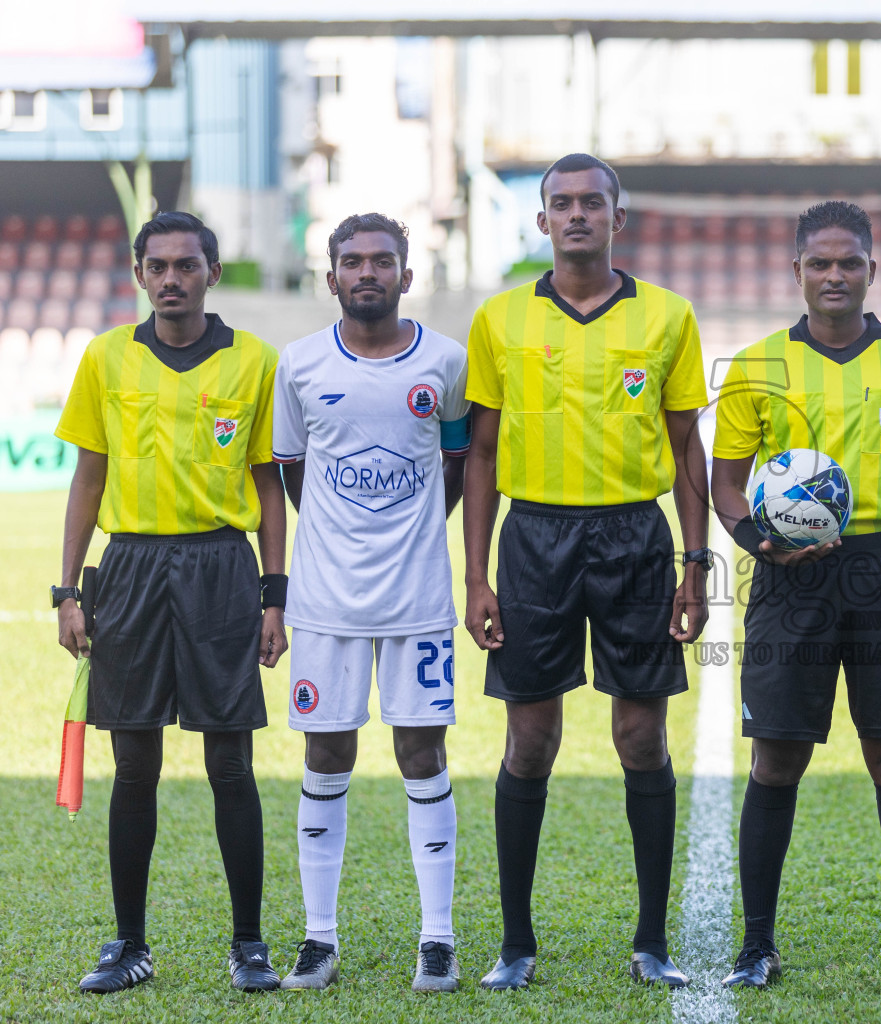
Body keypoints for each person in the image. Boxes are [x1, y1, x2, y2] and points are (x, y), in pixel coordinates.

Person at [461, 153, 710, 991]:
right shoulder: (498, 320)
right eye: (560, 204)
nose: (576, 216)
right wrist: (476, 577)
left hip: (634, 540)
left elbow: (685, 450)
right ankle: (517, 945)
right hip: (532, 540)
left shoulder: (668, 317)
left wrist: (694, 562)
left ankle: (651, 942)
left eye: (591, 203)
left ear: (617, 218)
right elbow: (483, 452)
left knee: (641, 735)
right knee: (530, 740)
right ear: (540, 221)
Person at [711, 200, 881, 989]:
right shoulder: (757, 365)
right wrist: (755, 538)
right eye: (819, 263)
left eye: (848, 262)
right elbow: (725, 479)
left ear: (870, 269)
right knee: (777, 756)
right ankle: (757, 946)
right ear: (796, 271)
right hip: (793, 580)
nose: (834, 276)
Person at [54, 211, 287, 994]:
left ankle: (248, 945)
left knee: (230, 762)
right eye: (157, 266)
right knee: (134, 765)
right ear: (139, 274)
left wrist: (273, 594)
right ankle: (129, 944)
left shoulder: (255, 361)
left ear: (212, 273)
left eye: (187, 265)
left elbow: (268, 485)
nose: (172, 279)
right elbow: (88, 477)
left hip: (222, 566)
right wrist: (66, 590)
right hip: (128, 568)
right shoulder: (106, 358)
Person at [270, 214, 470, 992]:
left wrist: (411, 530)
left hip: (417, 598)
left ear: (406, 276)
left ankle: (439, 938)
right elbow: (292, 470)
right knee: (327, 756)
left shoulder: (445, 362)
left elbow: (457, 462)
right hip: (325, 604)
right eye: (350, 262)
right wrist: (336, 539)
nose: (366, 273)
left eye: (381, 261)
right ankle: (319, 938)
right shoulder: (300, 364)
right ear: (331, 279)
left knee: (423, 756)